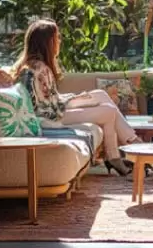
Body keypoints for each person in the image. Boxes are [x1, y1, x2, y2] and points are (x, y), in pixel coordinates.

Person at [11, 19, 141, 177]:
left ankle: (128, 148)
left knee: (101, 95)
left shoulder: (34, 65)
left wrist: (75, 98)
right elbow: (46, 108)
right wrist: (75, 100)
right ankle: (124, 153)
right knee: (108, 112)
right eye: (57, 38)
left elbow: (50, 99)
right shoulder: (38, 69)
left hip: (53, 111)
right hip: (49, 119)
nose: (59, 41)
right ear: (47, 42)